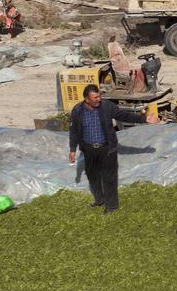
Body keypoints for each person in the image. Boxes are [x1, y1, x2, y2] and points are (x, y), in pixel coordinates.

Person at [68, 84, 159, 214]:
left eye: (99, 96)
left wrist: (144, 119)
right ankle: (99, 200)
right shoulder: (77, 111)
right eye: (95, 98)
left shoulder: (106, 106)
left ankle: (111, 206)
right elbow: (73, 131)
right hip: (88, 150)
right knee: (92, 176)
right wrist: (72, 149)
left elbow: (123, 115)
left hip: (107, 149)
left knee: (109, 178)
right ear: (86, 99)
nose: (98, 99)